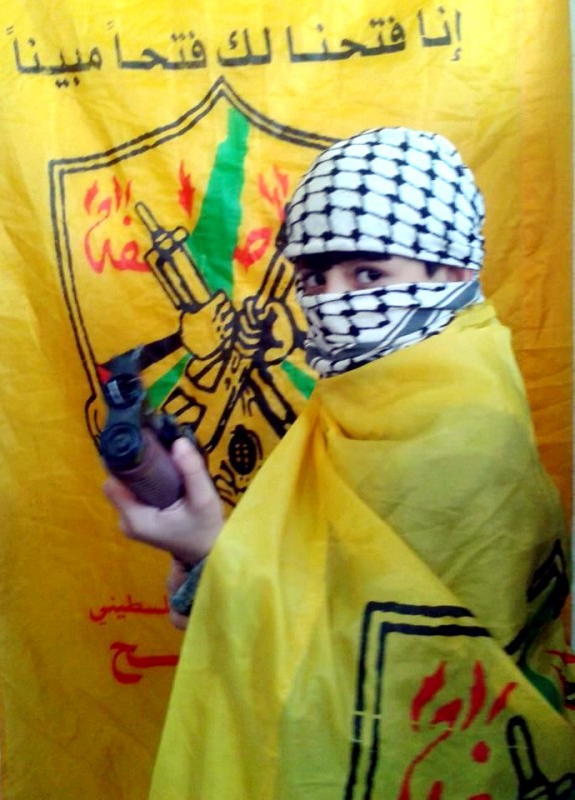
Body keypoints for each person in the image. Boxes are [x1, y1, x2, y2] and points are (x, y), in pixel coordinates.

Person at [104, 127, 575, 798]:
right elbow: (318, 592)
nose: (332, 302)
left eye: (369, 274)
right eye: (314, 278)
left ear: (454, 272)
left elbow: (402, 680)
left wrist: (213, 557)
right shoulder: (358, 397)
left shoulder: (463, 437)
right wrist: (206, 560)